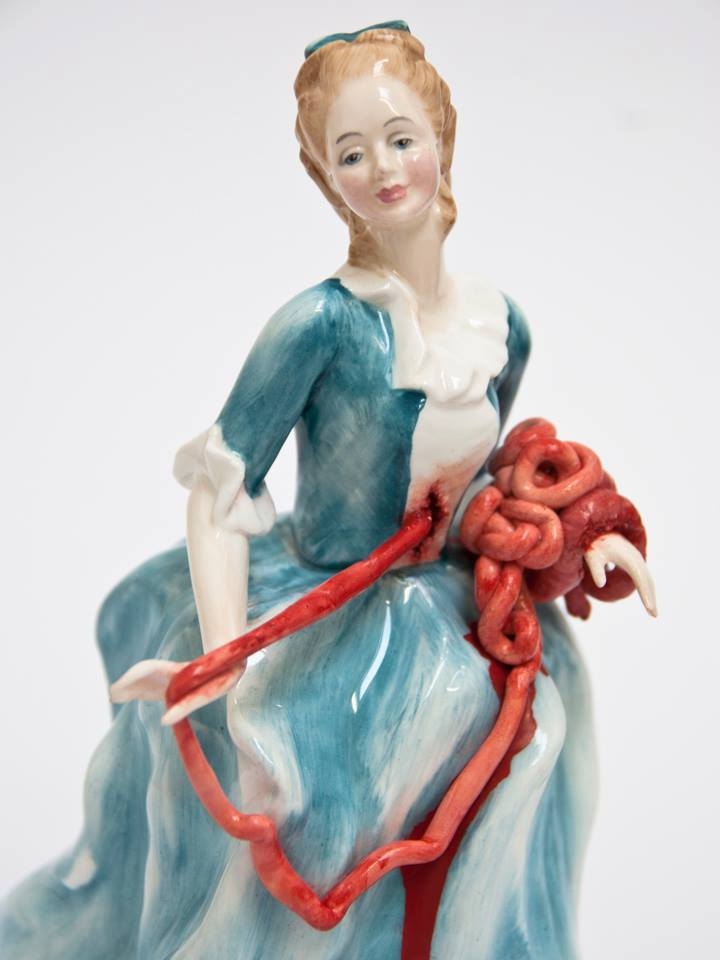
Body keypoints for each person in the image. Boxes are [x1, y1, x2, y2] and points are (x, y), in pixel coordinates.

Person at [0, 22, 654, 960]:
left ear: (441, 139)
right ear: (324, 176)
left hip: (461, 618)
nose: (383, 169)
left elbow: (483, 479)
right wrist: (226, 654)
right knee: (313, 808)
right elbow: (219, 491)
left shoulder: (500, 325)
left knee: (521, 764)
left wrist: (581, 532)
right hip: (334, 618)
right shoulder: (318, 325)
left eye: (400, 139)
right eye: (351, 153)